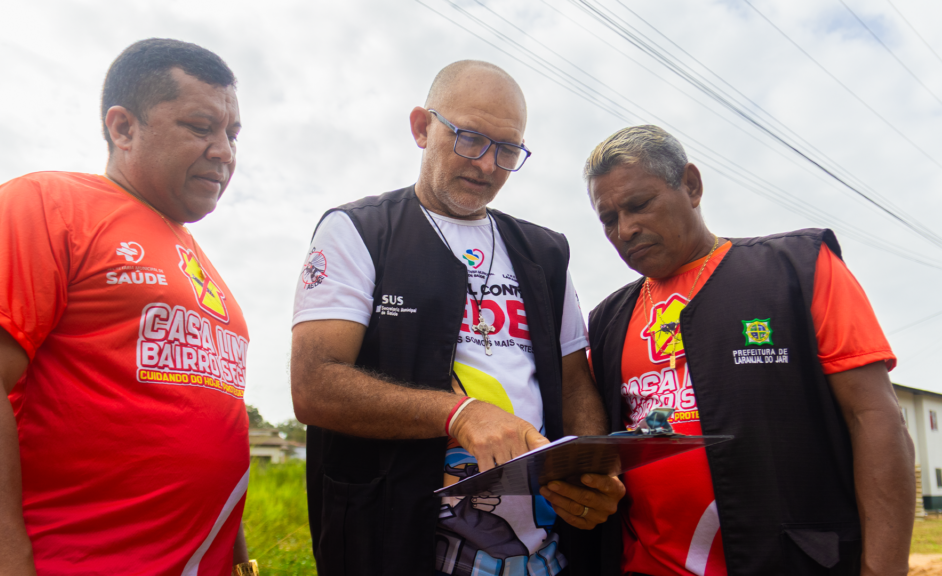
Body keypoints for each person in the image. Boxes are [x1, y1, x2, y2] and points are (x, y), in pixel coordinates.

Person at [0, 39, 256, 575]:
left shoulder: (192, 255)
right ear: (123, 128)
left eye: (232, 134)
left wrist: (235, 551)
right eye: (200, 127)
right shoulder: (45, 204)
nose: (224, 151)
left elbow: (202, 416)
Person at [290, 60, 625, 576]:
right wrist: (460, 414)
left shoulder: (544, 253)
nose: (488, 164)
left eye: (508, 149)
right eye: (469, 138)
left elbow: (576, 381)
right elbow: (314, 384)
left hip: (543, 553)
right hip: (396, 542)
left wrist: (589, 470)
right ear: (422, 127)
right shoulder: (358, 232)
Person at [584, 125, 915, 576]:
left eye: (639, 205)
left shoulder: (798, 269)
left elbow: (874, 417)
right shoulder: (606, 321)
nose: (626, 229)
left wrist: (882, 569)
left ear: (692, 185)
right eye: (608, 219)